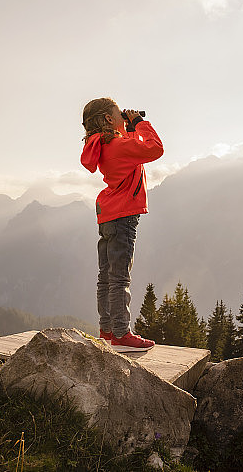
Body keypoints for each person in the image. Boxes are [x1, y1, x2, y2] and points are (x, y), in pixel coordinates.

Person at [80, 97, 163, 352]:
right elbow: (154, 149)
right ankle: (121, 334)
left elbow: (130, 152)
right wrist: (139, 122)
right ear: (108, 119)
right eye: (118, 113)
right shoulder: (118, 145)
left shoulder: (104, 145)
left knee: (105, 277)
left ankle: (107, 330)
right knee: (120, 279)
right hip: (124, 216)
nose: (122, 115)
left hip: (107, 214)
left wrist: (127, 128)